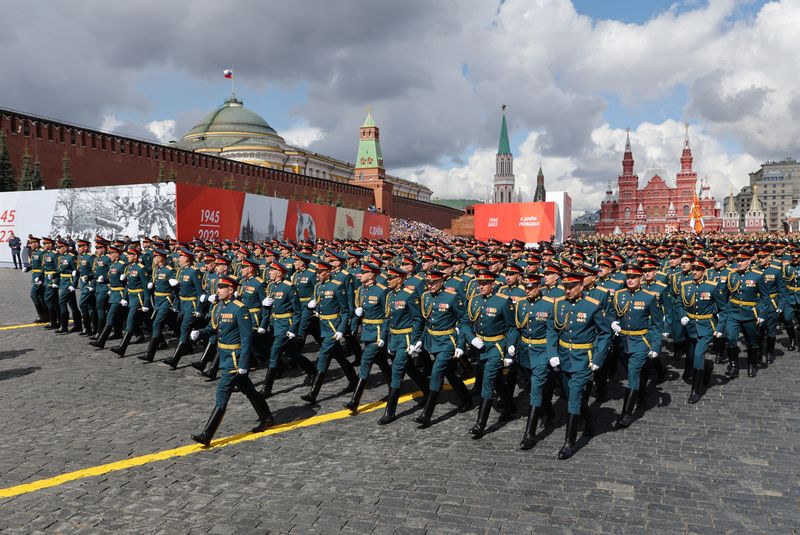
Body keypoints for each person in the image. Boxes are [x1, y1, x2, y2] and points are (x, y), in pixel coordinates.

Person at [190, 274, 275, 446]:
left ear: (231, 290)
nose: (218, 290)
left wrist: (244, 363)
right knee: (249, 390)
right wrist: (200, 332)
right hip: (224, 355)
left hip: (235, 359)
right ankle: (266, 417)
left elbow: (246, 338)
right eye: (219, 287)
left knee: (222, 392)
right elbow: (212, 328)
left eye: (222, 288)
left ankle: (207, 434)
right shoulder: (218, 308)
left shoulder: (239, 309)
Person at [546, 271, 611, 460]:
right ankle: (589, 421)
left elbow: (604, 333)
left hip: (584, 358)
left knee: (574, 397)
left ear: (581, 286)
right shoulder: (558, 304)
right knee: (572, 396)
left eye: (572, 286)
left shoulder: (592, 306)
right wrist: (552, 353)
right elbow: (552, 329)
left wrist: (598, 358)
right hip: (564, 357)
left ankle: (569, 442)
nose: (568, 290)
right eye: (565, 287)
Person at [413, 270, 473, 428]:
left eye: (433, 282)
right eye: (428, 282)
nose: (430, 285)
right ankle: (467, 400)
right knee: (449, 373)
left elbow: (464, 321)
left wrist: (461, 345)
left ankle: (426, 414)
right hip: (432, 340)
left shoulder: (452, 297)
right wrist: (420, 341)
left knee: (436, 372)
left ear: (441, 281)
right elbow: (427, 321)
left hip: (448, 341)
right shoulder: (425, 296)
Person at [461, 269, 516, 438]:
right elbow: (465, 322)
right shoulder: (474, 301)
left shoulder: (502, 301)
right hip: (480, 347)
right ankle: (510, 405)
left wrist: (510, 348)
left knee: (487, 382)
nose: (481, 286)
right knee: (496, 380)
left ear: (493, 284)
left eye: (485, 283)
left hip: (496, 347)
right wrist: (471, 338)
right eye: (479, 283)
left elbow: (512, 327)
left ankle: (480, 424)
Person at [609, 264, 663, 428]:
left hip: (640, 341)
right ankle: (642, 394)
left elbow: (656, 324)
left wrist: (655, 346)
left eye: (634, 277)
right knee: (634, 372)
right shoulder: (619, 295)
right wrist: (612, 322)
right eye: (628, 277)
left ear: (641, 279)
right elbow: (611, 313)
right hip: (622, 342)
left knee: (633, 374)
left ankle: (626, 414)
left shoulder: (649, 297)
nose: (630, 280)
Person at [301, 261, 358, 403]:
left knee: (324, 355)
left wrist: (341, 330)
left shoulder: (337, 287)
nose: (318, 275)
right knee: (339, 356)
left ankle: (313, 392)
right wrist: (313, 307)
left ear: (328, 272)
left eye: (321, 272)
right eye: (317, 272)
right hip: (323, 325)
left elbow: (344, 311)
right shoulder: (318, 287)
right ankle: (354, 379)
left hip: (333, 327)